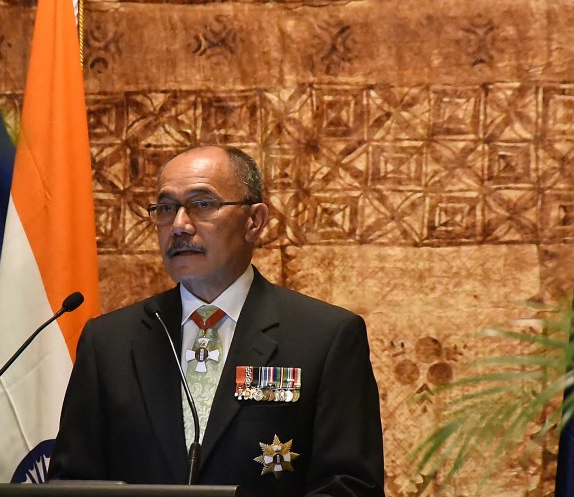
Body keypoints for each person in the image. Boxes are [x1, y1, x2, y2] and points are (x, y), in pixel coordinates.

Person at [48, 145, 385, 496]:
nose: (179, 225)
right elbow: (71, 481)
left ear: (253, 221)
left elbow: (351, 486)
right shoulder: (110, 342)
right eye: (166, 208)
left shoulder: (324, 337)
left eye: (202, 204)